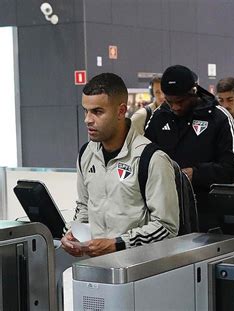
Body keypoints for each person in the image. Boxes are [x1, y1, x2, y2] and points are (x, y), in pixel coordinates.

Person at [61, 73, 179, 257]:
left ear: (121, 111)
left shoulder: (152, 158)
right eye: (86, 110)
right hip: (98, 268)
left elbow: (166, 227)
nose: (88, 119)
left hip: (140, 271)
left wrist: (118, 244)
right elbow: (84, 206)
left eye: (97, 112)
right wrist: (73, 234)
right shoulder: (86, 154)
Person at [145, 65, 234, 232]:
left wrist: (197, 173)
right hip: (166, 216)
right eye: (170, 102)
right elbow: (144, 158)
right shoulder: (159, 116)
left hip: (208, 220)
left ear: (194, 92)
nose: (175, 107)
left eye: (180, 101)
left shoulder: (219, 117)